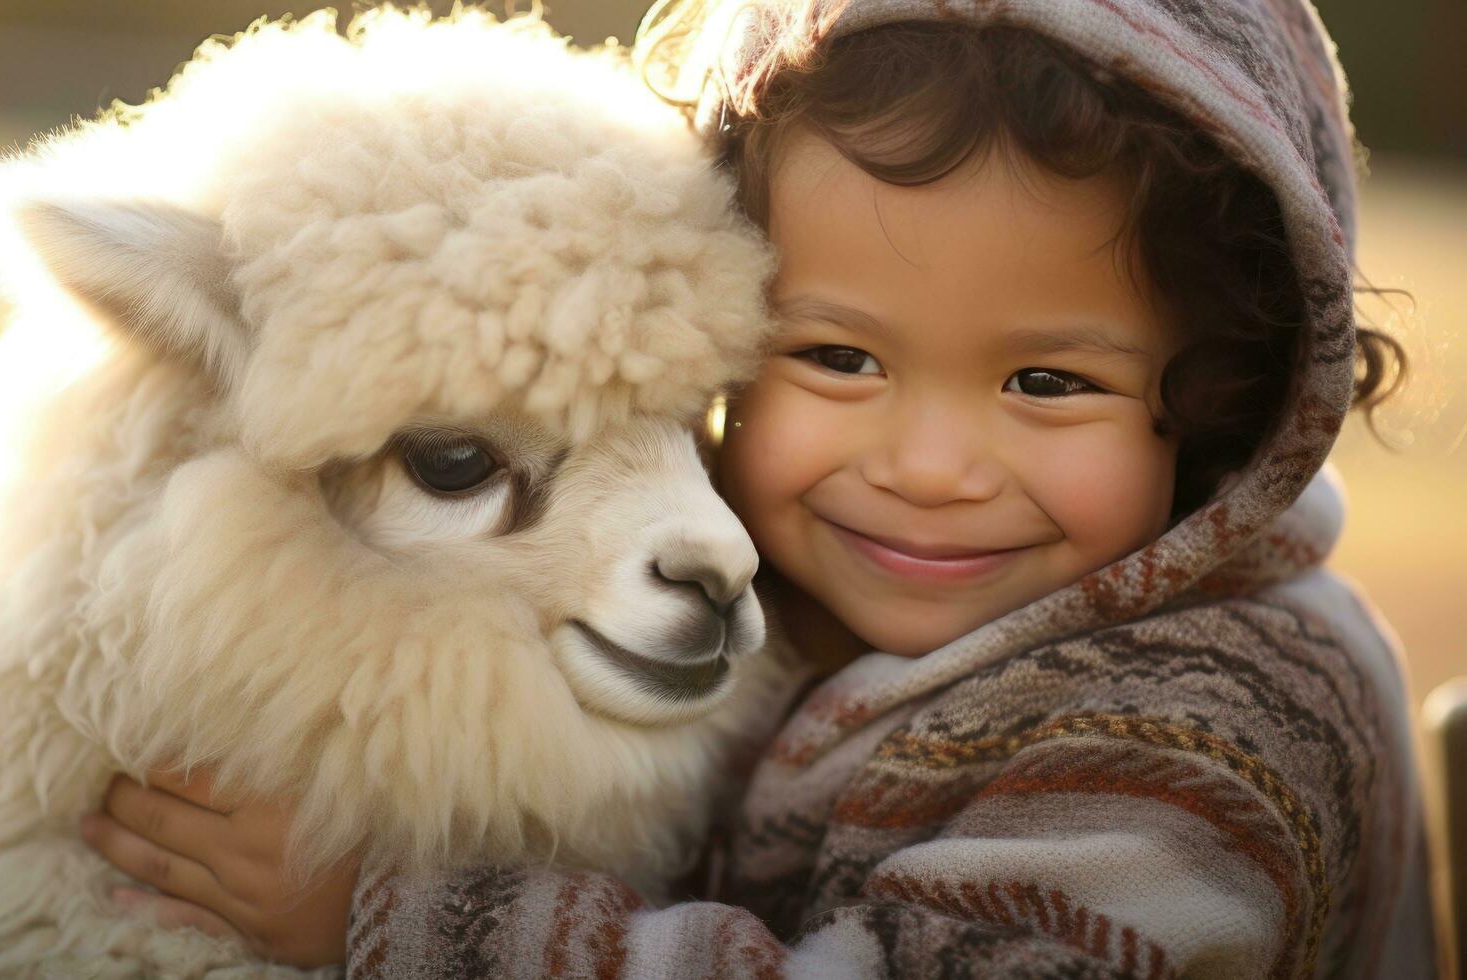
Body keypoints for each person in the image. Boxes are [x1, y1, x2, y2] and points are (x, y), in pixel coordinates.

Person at [80, 0, 1440, 974]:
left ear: (1216, 401)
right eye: (836, 356)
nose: (923, 468)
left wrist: (407, 923)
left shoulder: (1212, 724)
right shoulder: (773, 595)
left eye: (1046, 384)